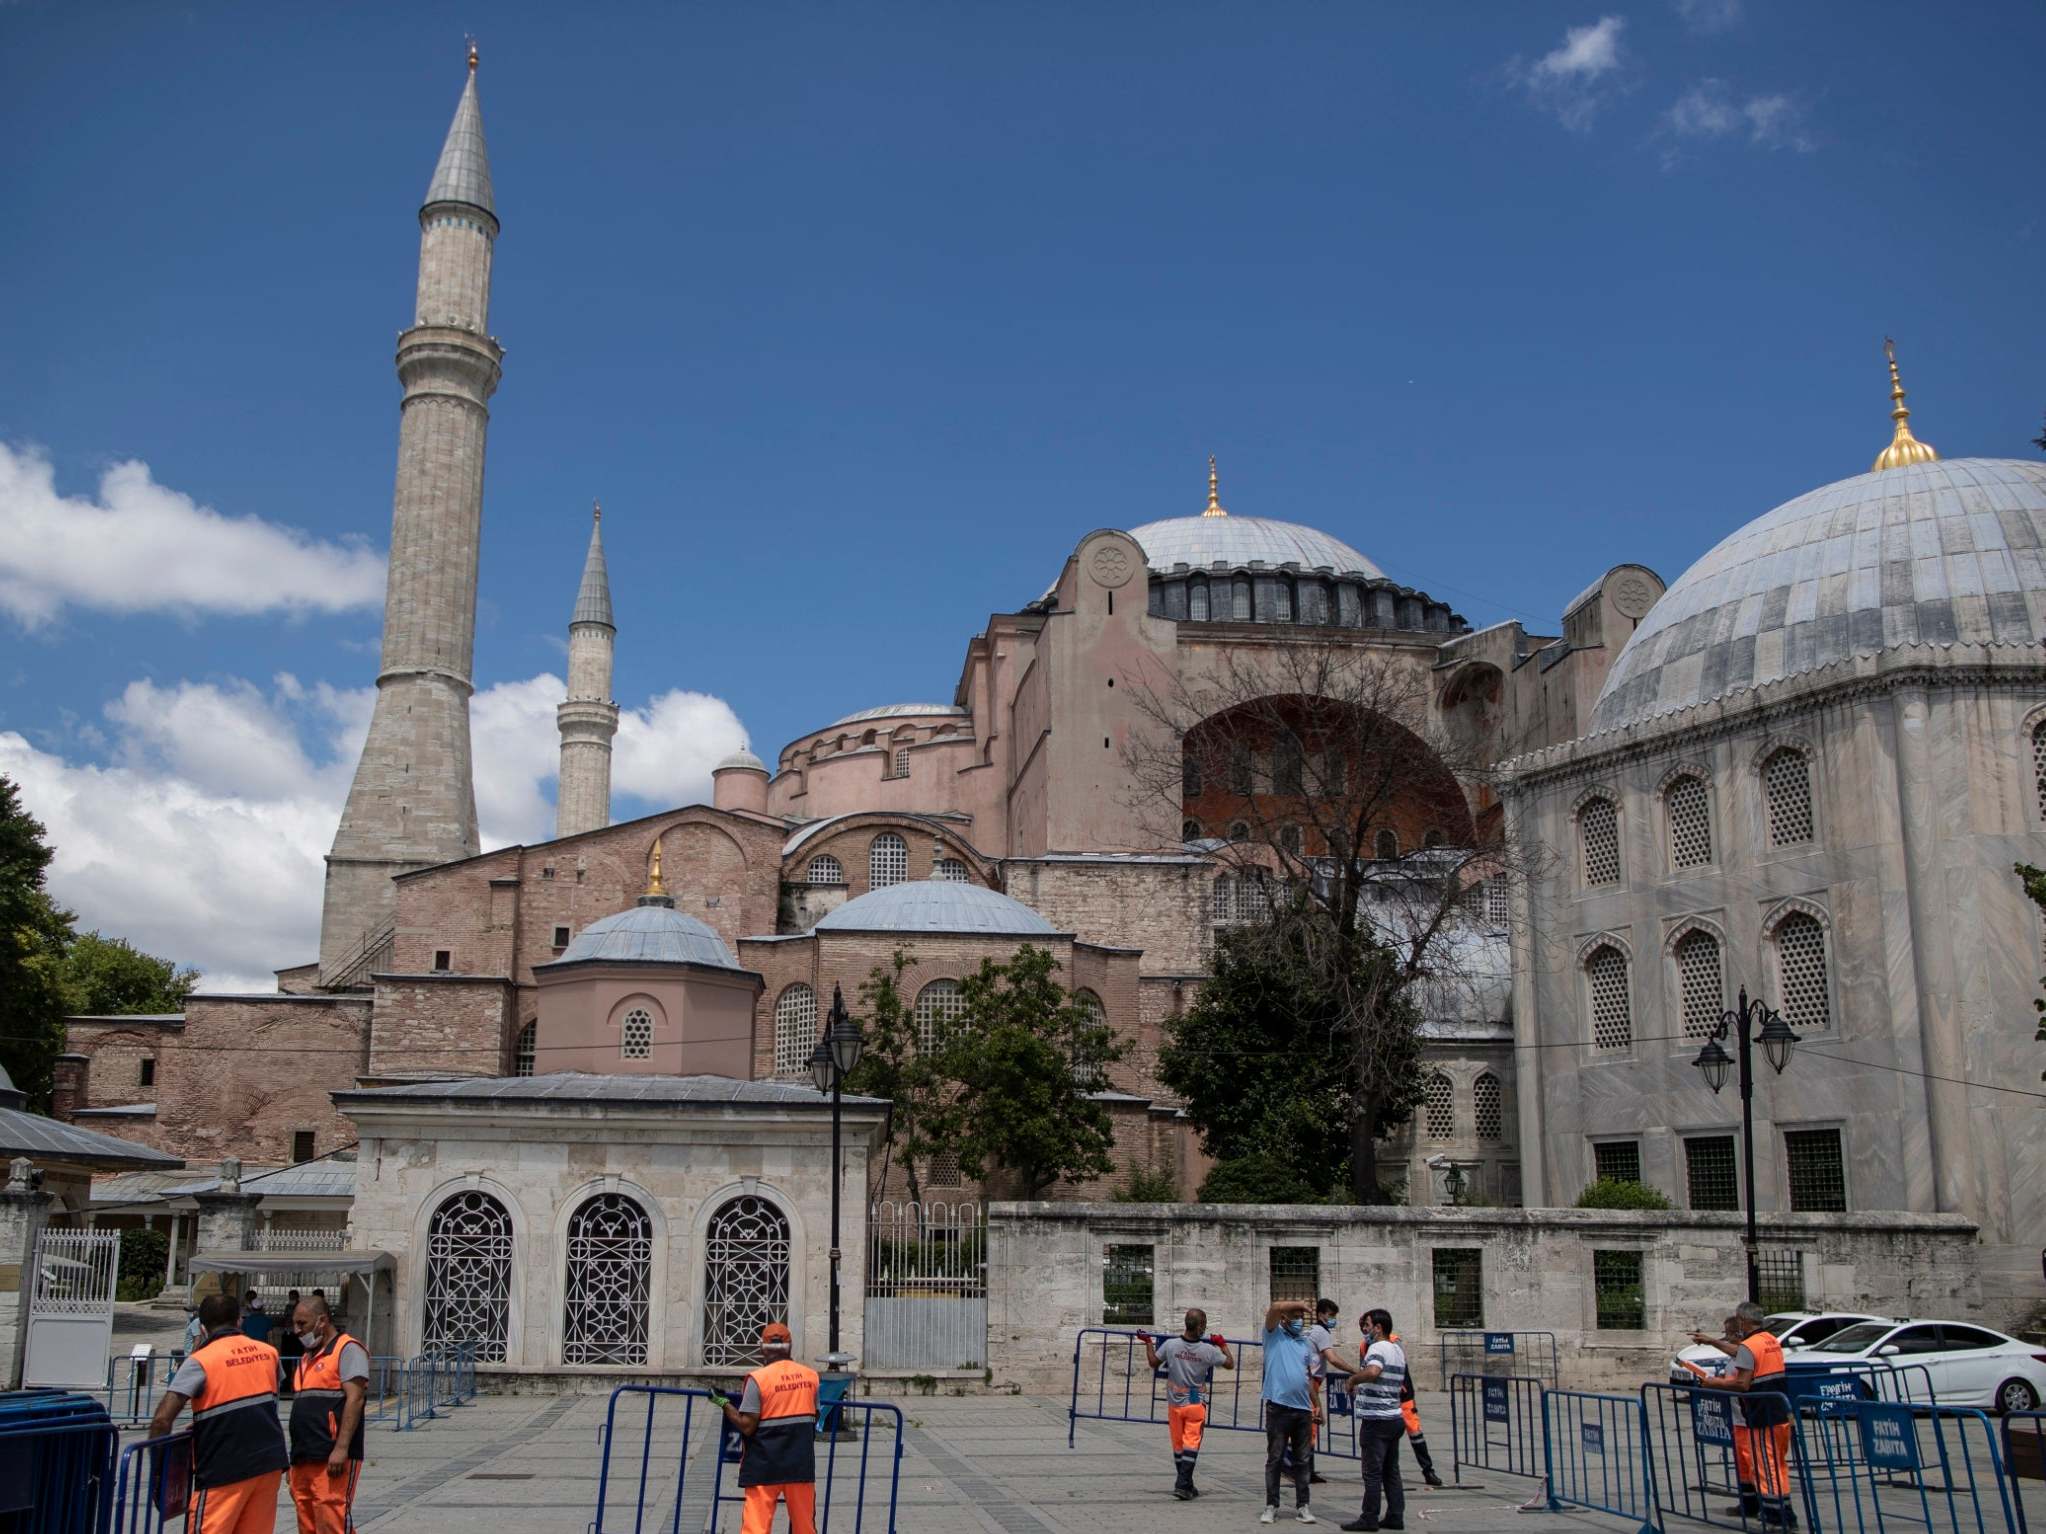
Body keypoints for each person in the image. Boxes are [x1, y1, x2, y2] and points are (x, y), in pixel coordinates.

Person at [150, 1293, 288, 1534]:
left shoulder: (200, 1361)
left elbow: (162, 1419)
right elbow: (258, 1399)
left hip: (223, 1468)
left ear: (202, 1328)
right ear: (239, 1321)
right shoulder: (269, 1354)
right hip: (269, 1463)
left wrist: (159, 1470)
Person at [1687, 1302, 1795, 1528]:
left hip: (1761, 1411)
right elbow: (1741, 1353)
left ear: (1744, 1321)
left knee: (1766, 1466)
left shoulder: (1749, 1345)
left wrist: (1713, 1383)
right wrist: (1712, 1341)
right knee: (1778, 1464)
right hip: (1779, 1410)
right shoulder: (1769, 1340)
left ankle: (1775, 1517)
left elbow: (1742, 1384)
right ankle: (1785, 1513)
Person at [717, 1321, 819, 1534]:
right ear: (790, 1346)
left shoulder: (759, 1379)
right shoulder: (811, 1376)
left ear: (762, 1348)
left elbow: (747, 1426)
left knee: (756, 1528)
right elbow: (814, 1416)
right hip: (799, 1464)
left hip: (764, 1465)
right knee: (804, 1527)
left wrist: (724, 1404)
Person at [286, 1295, 368, 1534]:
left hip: (331, 1455)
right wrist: (294, 1461)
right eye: (295, 1323)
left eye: (302, 1323)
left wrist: (341, 1448)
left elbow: (355, 1399)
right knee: (307, 1520)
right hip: (304, 1455)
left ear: (322, 1320)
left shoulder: (347, 1349)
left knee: (332, 1518)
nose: (297, 1330)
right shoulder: (307, 1357)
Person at [1140, 1310, 1233, 1499]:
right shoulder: (1208, 1351)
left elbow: (1153, 1362)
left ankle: (1187, 1484)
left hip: (1174, 1401)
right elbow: (1230, 1364)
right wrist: (1222, 1345)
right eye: (1204, 1324)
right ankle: (1183, 1484)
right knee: (1191, 1443)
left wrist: (1148, 1342)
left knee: (1178, 1445)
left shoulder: (1171, 1345)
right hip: (1195, 1399)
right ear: (1200, 1326)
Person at [1340, 1309, 1407, 1533]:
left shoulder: (1377, 1348)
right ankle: (1395, 1516)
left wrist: (1352, 1380)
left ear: (1379, 1327)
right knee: (1391, 1471)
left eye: (1367, 1325)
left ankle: (1369, 1518)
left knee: (1372, 1472)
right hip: (1394, 1418)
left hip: (1377, 1420)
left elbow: (1373, 1371)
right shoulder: (1397, 1350)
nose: (1365, 1330)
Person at [1258, 1297, 1319, 1525]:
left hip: (1302, 1409)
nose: (1299, 1320)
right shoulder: (1272, 1335)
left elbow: (1306, 1377)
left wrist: (1317, 1405)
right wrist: (1297, 1303)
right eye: (1294, 1316)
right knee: (1275, 1458)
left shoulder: (1304, 1343)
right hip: (1278, 1408)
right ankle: (1271, 1505)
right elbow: (1273, 1308)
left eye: (1301, 1317)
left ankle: (1303, 1506)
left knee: (1302, 1460)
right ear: (1284, 1319)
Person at [275, 1291, 304, 1398]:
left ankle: (296, 1385)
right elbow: (285, 1319)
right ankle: (286, 1384)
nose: (291, 1298)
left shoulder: (301, 1307)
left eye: (293, 1297)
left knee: (297, 1361)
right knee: (286, 1361)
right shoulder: (288, 1306)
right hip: (287, 1335)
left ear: (297, 1297)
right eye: (289, 1296)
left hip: (296, 1336)